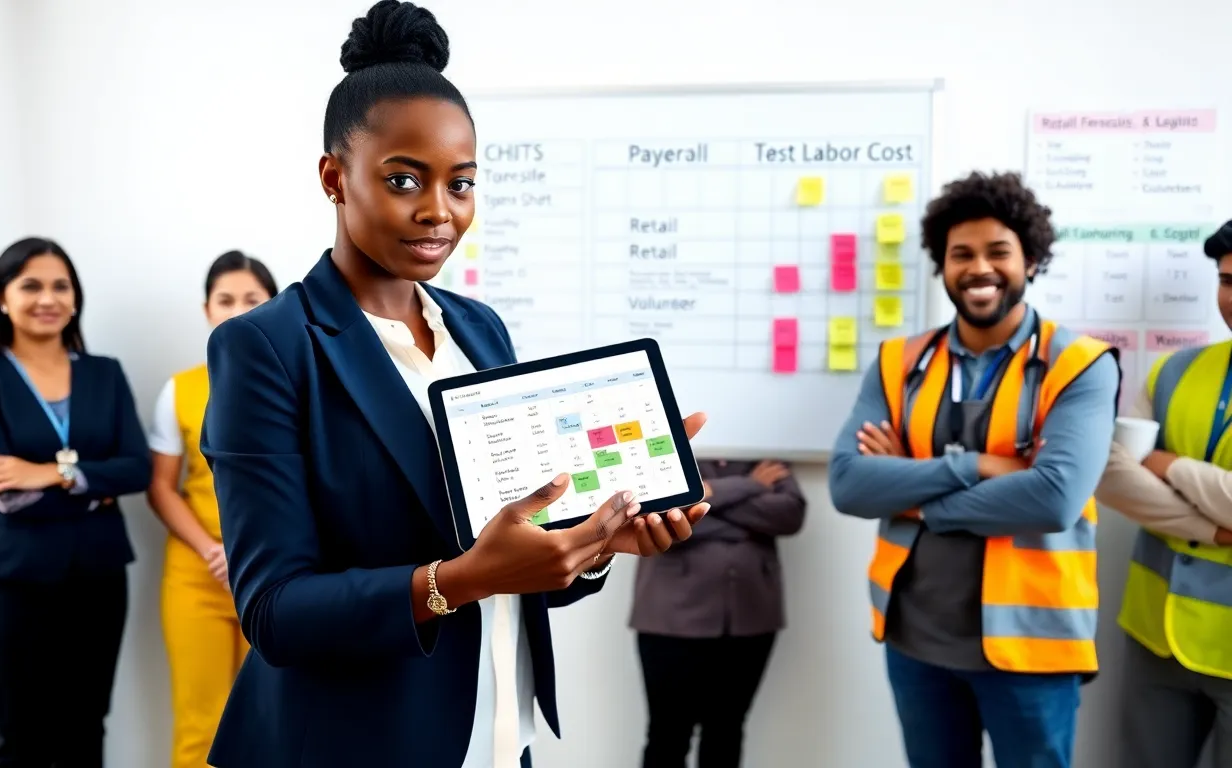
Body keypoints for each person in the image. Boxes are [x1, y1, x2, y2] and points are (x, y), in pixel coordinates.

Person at [197, 3, 712, 767]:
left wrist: (593, 543)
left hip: (500, 733)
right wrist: (458, 580)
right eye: (404, 179)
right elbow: (274, 612)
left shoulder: (480, 329)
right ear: (335, 178)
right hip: (355, 745)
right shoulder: (266, 347)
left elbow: (514, 549)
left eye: (461, 183)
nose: (439, 210)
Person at [827, 171, 1120, 768]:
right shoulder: (897, 362)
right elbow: (849, 484)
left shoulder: (1080, 365)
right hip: (916, 634)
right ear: (942, 266)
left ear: (1031, 260)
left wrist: (911, 486)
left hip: (1032, 642)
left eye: (997, 252)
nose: (978, 268)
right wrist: (980, 464)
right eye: (961, 254)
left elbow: (1054, 499)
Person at [0, 237, 151, 768]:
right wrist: (91, 487)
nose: (48, 298)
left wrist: (50, 472)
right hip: (11, 580)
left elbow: (137, 468)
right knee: (22, 733)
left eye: (61, 286)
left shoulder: (104, 373)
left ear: (76, 298)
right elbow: (4, 494)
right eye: (31, 285)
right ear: (1, 298)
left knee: (87, 724)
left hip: (98, 577)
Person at [1094, 219, 1232, 768]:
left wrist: (1167, 463)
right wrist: (1213, 527)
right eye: (1227, 281)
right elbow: (1112, 474)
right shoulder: (1175, 371)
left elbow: (1143, 467)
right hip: (1156, 636)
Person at [146, 251, 279, 768]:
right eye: (225, 300)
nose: (238, 310)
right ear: (206, 309)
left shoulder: (298, 381)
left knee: (274, 719)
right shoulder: (178, 389)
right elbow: (162, 487)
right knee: (200, 721)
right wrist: (211, 550)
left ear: (274, 304)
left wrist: (250, 554)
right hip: (197, 576)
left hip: (272, 576)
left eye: (252, 299)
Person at [630, 458, 806, 768]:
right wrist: (751, 487)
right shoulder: (667, 448)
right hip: (670, 621)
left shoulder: (764, 449)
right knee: (668, 735)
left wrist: (705, 500)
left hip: (750, 621)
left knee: (726, 731)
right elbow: (659, 519)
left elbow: (790, 515)